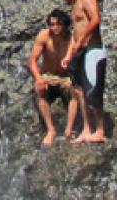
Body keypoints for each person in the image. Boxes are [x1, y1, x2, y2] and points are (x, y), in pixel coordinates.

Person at [57, 0, 107, 144]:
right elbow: (75, 33)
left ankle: (99, 130)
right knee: (79, 90)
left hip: (92, 49)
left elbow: (95, 20)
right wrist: (69, 54)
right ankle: (87, 129)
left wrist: (81, 41)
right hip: (79, 51)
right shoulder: (74, 6)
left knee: (93, 89)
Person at [28, 9, 78, 146]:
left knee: (76, 90)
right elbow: (32, 60)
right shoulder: (44, 36)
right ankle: (51, 130)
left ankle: (69, 129)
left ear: (65, 25)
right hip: (48, 75)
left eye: (58, 24)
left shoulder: (72, 37)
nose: (54, 27)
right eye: (51, 24)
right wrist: (38, 79)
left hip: (65, 77)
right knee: (39, 91)